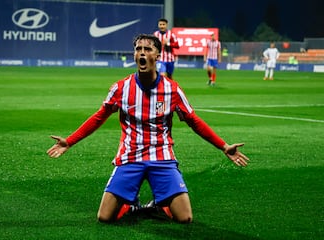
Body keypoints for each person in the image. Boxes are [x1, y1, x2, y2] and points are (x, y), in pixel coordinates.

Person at [46, 34, 249, 224]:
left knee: (185, 218)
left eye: (147, 49)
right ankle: (131, 203)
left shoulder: (172, 89)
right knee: (104, 217)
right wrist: (69, 141)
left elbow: (193, 121)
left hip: (162, 157)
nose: (142, 52)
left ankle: (159, 204)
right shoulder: (120, 88)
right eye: (138, 49)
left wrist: (223, 146)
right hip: (130, 156)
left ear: (157, 55)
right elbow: (99, 117)